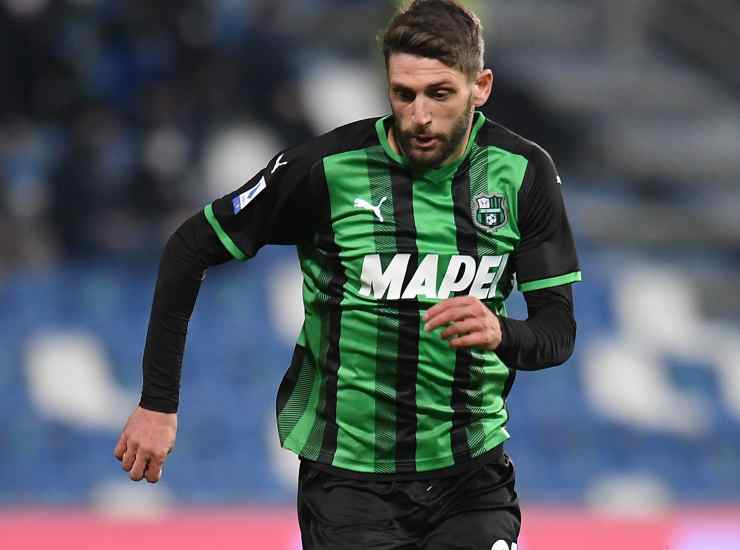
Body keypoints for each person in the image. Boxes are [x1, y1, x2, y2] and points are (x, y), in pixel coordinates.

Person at [114, 1, 580, 548]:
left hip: (470, 479)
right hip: (350, 487)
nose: (419, 115)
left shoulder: (523, 174)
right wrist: (157, 403)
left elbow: (557, 333)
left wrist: (504, 332)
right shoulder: (325, 170)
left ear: (481, 87)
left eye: (439, 93)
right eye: (403, 94)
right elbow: (189, 247)